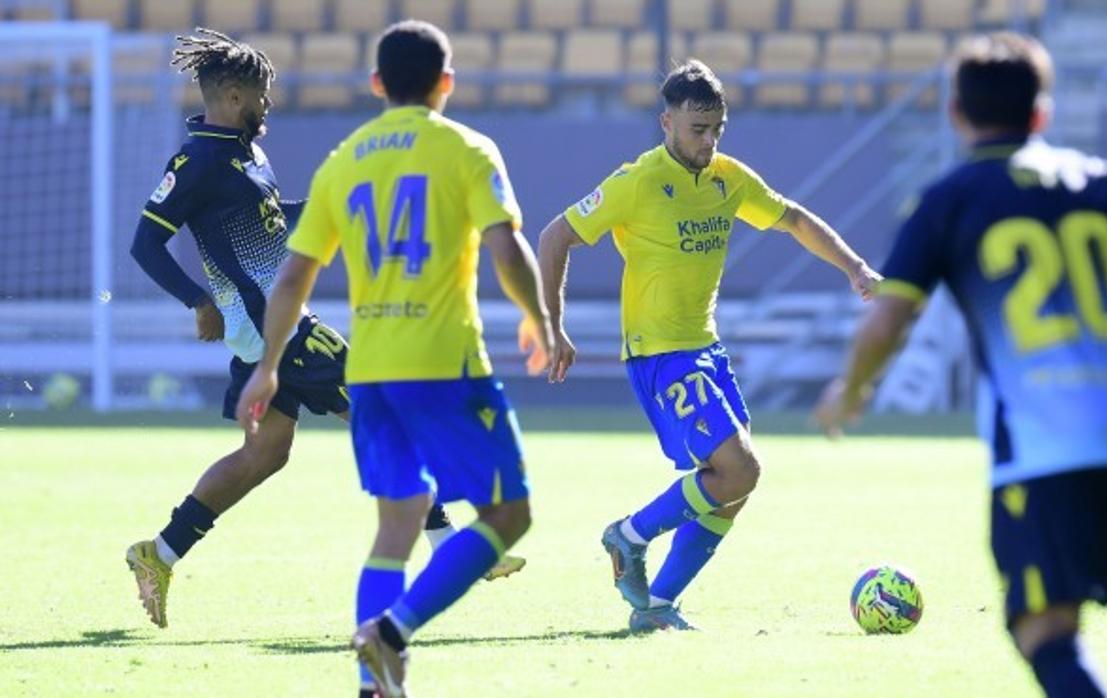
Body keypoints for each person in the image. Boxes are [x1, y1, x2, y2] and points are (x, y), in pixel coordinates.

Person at [816, 32, 1107, 698]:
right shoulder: (1101, 181)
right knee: (1050, 626)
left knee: (1043, 634)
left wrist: (850, 391)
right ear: (1042, 113)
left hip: (1045, 446)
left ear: (955, 113)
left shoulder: (950, 199)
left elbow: (888, 318)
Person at [124, 28, 521, 636]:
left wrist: (339, 202)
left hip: (270, 332)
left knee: (266, 453)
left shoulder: (247, 153)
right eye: (260, 94)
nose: (267, 105)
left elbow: (270, 221)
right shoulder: (197, 159)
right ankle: (447, 546)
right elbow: (145, 242)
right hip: (271, 327)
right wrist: (196, 300)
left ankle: (161, 551)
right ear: (230, 95)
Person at [233, 20, 552, 698]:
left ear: (377, 84)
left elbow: (292, 278)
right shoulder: (466, 148)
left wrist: (266, 366)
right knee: (508, 514)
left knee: (396, 526)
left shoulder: (344, 160)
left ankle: (371, 685)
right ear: (447, 83)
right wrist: (540, 317)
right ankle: (393, 632)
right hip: (444, 366)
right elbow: (506, 246)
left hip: (370, 373)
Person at [537, 60, 880, 633]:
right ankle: (628, 536)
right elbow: (555, 237)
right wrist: (554, 324)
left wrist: (856, 268)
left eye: (718, 128)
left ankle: (656, 605)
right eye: (699, 129)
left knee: (732, 488)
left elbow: (791, 218)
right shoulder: (637, 182)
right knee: (737, 468)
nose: (709, 140)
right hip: (658, 353)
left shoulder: (727, 177)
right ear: (666, 122)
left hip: (703, 348)